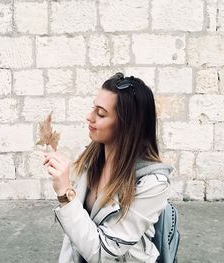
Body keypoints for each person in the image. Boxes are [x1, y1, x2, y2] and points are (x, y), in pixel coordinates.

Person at [43, 72, 173, 263]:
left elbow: (104, 253)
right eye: (93, 108)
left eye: (101, 113)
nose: (89, 117)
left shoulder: (152, 184)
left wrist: (65, 193)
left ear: (127, 125)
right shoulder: (92, 158)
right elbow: (78, 233)